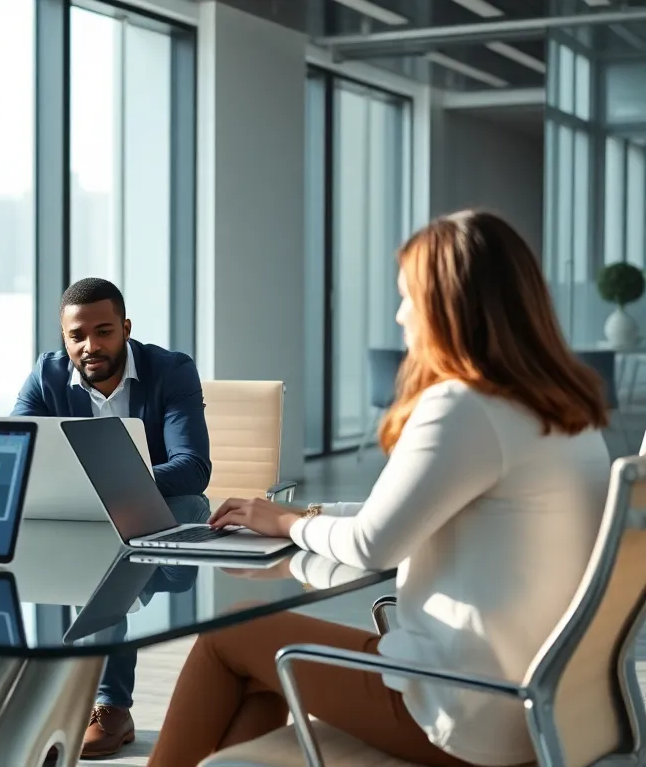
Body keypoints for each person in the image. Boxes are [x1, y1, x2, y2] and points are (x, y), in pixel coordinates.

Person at [149, 210, 611, 767]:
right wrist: (300, 514)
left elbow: (374, 545)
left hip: (465, 714)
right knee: (256, 670)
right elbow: (409, 512)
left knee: (229, 634)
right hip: (537, 706)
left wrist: (292, 525)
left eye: (408, 297)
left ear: (447, 306)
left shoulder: (464, 406)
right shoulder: (565, 414)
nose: (400, 315)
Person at [11, 277, 213, 759]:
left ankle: (107, 705)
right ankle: (80, 698)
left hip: (166, 519)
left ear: (125, 328)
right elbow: (16, 449)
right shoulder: (48, 375)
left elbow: (193, 468)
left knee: (107, 569)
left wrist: (113, 482)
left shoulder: (172, 371)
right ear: (64, 338)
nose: (90, 346)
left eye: (103, 332)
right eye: (77, 335)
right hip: (83, 519)